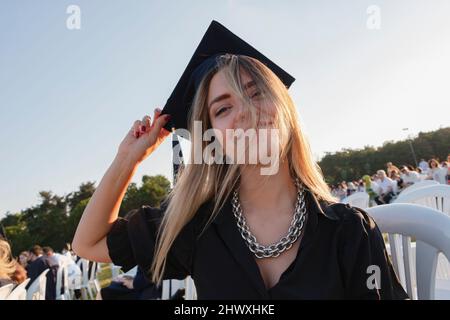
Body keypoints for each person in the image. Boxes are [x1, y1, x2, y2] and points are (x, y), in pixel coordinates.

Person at [72, 21, 408, 299]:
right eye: (222, 108)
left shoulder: (349, 232)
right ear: (212, 137)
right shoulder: (196, 227)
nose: (245, 112)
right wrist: (127, 158)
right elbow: (87, 243)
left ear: (285, 112)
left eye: (256, 92)